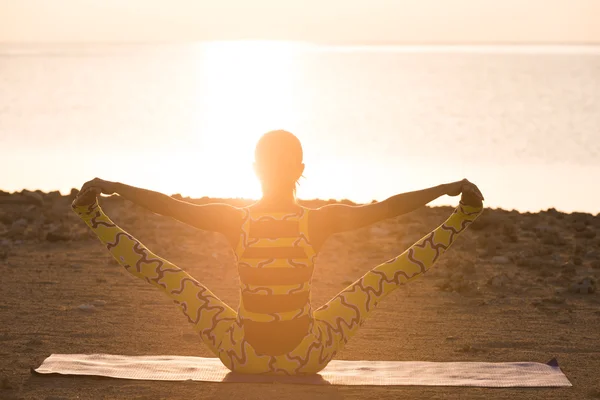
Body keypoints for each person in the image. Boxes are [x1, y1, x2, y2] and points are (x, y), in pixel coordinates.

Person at [72, 129, 484, 375]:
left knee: (171, 277)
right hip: (307, 355)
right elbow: (386, 209)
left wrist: (116, 188)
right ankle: (463, 218)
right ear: (300, 170)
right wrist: (445, 193)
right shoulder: (319, 220)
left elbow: (170, 205)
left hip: (242, 356)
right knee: (380, 279)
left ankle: (91, 216)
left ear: (254, 169)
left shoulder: (234, 220)